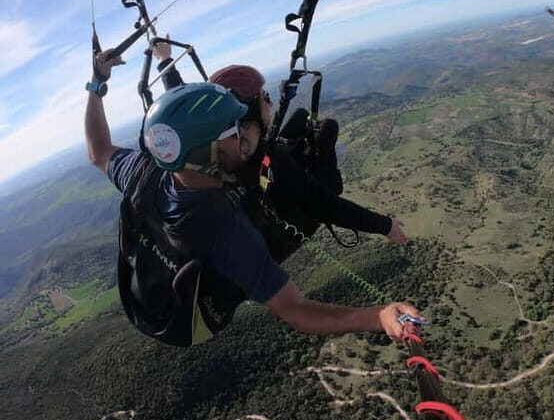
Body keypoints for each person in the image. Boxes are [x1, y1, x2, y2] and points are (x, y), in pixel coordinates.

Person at [85, 49, 422, 345]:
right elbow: (297, 311)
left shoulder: (146, 171)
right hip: (184, 323)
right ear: (208, 152)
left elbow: (99, 152)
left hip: (141, 293)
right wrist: (377, 316)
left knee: (299, 137)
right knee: (312, 185)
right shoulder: (228, 234)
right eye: (235, 130)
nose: (244, 133)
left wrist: (97, 83)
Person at [152, 41, 407, 264]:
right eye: (264, 96)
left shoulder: (213, 148)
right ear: (248, 109)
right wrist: (386, 226)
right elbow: (327, 205)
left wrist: (164, 60)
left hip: (261, 193)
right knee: (326, 132)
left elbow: (187, 114)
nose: (270, 100)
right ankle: (322, 163)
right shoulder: (276, 159)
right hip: (283, 223)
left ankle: (312, 150)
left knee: (302, 119)